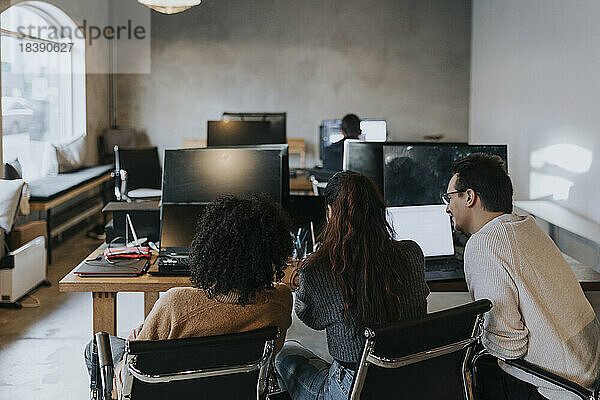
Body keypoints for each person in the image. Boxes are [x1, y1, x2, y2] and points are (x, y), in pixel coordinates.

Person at [84, 194, 294, 399]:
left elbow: (129, 379)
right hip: (234, 390)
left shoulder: (176, 303)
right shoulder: (281, 300)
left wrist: (134, 339)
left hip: (168, 391)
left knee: (98, 345)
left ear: (209, 249)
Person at [443, 153, 600, 400]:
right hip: (589, 369)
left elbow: (509, 347)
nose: (447, 207)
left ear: (470, 197)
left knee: (457, 367)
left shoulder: (484, 244)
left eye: (450, 197)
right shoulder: (528, 226)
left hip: (559, 387)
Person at [275, 171, 429, 400]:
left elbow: (310, 318)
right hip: (406, 378)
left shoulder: (318, 269)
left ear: (330, 213)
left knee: (285, 352)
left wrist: (301, 280)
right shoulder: (412, 253)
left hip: (351, 389)